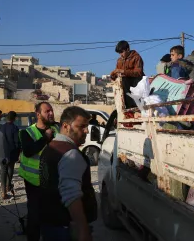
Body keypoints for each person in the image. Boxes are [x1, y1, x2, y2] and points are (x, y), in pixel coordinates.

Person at [39, 106, 97, 241]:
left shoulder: (50, 147)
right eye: (81, 126)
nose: (86, 131)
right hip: (65, 228)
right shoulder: (70, 153)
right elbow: (71, 195)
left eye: (87, 126)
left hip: (50, 223)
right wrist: (83, 229)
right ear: (66, 126)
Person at [19, 102, 60, 241]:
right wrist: (46, 138)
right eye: (47, 111)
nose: (51, 113)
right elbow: (29, 151)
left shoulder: (57, 128)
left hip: (53, 182)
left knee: (52, 216)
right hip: (34, 183)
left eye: (52, 110)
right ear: (38, 114)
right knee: (35, 217)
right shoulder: (26, 132)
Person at [110, 40, 145, 108]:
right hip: (125, 85)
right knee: (121, 81)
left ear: (128, 49)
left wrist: (123, 71)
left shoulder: (136, 57)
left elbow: (138, 72)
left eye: (122, 52)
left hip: (136, 83)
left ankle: (132, 106)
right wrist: (113, 75)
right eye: (119, 53)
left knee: (124, 79)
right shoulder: (119, 60)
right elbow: (117, 73)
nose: (121, 54)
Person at [0, 111, 20, 199]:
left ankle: (3, 192)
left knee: (3, 171)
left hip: (2, 152)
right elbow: (17, 142)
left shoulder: (2, 127)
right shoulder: (15, 128)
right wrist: (19, 152)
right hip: (12, 152)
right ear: (14, 118)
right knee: (10, 169)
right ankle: (8, 186)